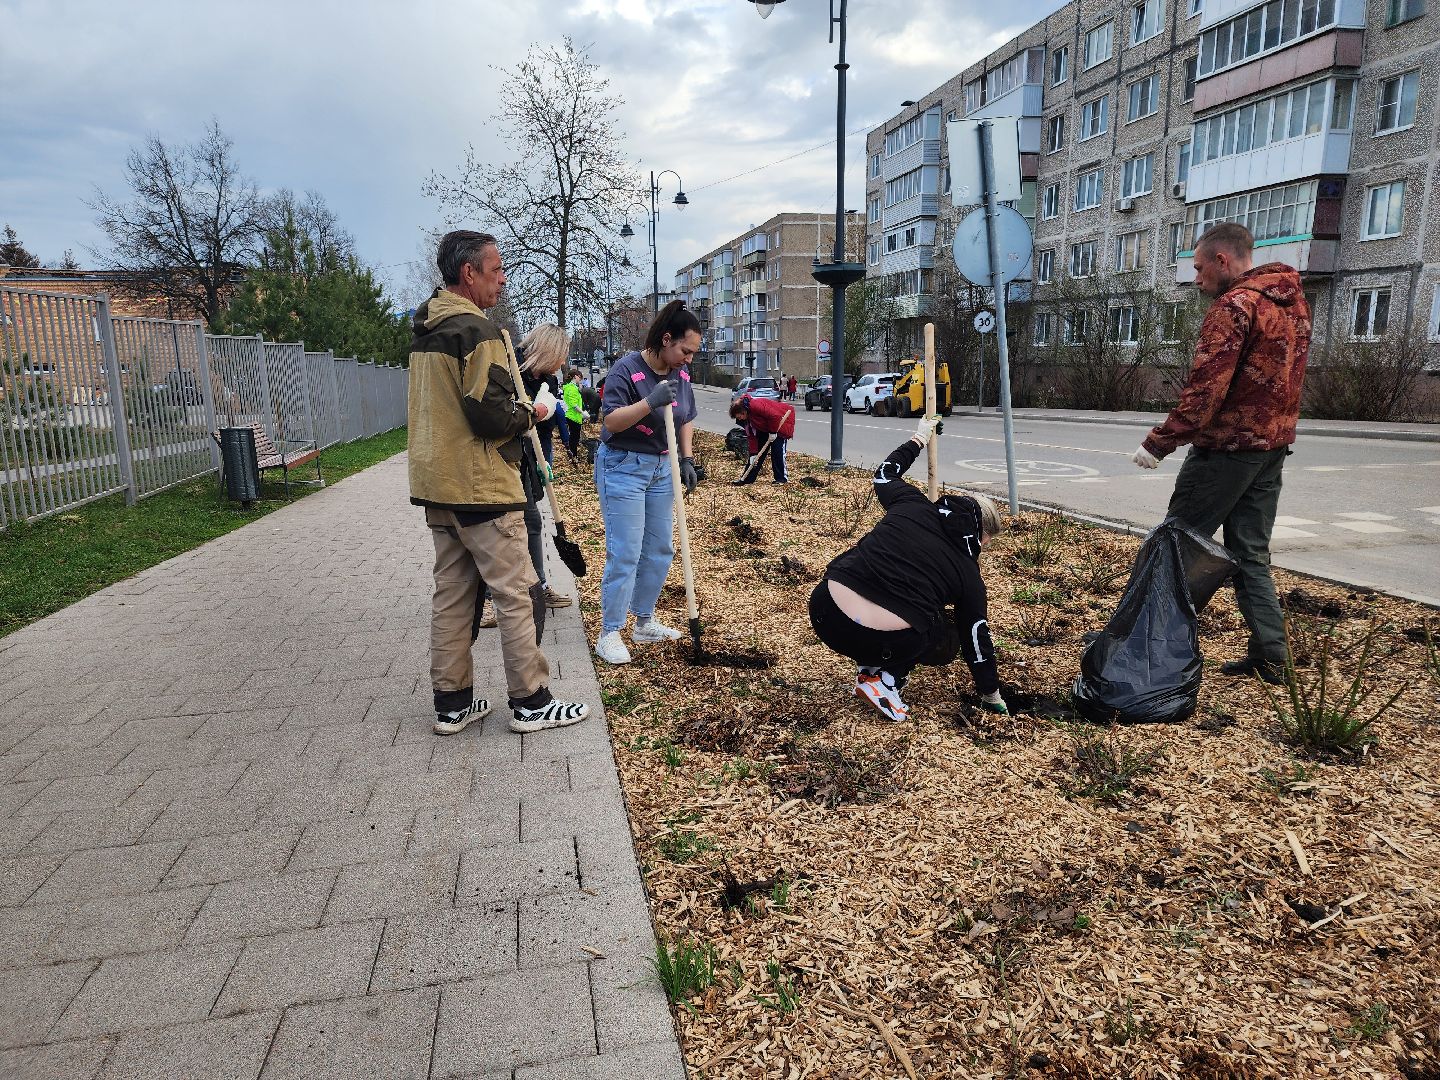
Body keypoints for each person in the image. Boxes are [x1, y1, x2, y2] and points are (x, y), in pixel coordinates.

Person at [407, 230, 589, 736]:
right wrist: (534, 411)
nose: (503, 280)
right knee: (518, 591)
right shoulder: (477, 332)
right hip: (481, 486)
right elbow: (491, 416)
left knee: (452, 595)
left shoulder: (427, 330)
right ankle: (532, 700)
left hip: (437, 485)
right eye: (497, 270)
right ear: (470, 274)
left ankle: (451, 703)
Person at [1130, 222, 1310, 685]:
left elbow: (1206, 390)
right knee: (1250, 552)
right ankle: (1273, 655)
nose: (1197, 280)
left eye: (1199, 268)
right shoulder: (1292, 302)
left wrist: (1160, 442)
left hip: (1226, 451)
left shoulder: (1234, 306)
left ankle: (1137, 646)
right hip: (1271, 448)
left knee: (1174, 545)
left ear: (1221, 261)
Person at [809, 417, 1007, 721]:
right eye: (987, 541)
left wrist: (918, 439)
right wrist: (990, 695)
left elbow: (885, 474)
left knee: (883, 589)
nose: (984, 548)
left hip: (824, 610)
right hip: (879, 637)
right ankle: (885, 680)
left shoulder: (910, 503)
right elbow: (976, 637)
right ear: (980, 532)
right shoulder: (969, 575)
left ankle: (869, 669)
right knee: (942, 629)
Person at [593, 300, 702, 665]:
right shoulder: (626, 370)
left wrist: (686, 458)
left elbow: (685, 416)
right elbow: (610, 422)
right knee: (625, 551)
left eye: (693, 353)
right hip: (623, 465)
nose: (689, 359)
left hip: (662, 467)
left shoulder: (680, 374)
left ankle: (643, 621)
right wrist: (649, 403)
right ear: (666, 340)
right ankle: (609, 631)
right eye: (685, 351)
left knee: (659, 549)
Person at [729, 392, 796, 485]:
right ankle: (747, 479)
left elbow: (775, 416)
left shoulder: (756, 405)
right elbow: (751, 436)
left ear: (743, 411)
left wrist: (773, 432)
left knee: (777, 451)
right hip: (765, 427)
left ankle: (781, 479)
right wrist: (753, 453)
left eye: (740, 416)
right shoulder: (746, 419)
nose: (740, 419)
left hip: (781, 422)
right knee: (757, 454)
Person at [561, 369, 586, 462]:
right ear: (575, 376)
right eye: (580, 377)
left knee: (573, 437)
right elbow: (574, 404)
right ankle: (573, 456)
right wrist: (582, 413)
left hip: (572, 415)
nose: (580, 379)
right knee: (574, 438)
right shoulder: (572, 388)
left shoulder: (570, 387)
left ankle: (573, 455)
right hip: (573, 416)